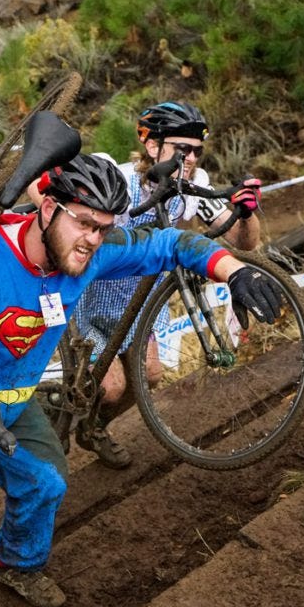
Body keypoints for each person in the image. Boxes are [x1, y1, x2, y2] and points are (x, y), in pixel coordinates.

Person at [0, 153, 283, 607]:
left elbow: (169, 243)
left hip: (9, 403)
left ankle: (14, 563)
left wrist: (236, 269)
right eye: (86, 224)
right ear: (49, 208)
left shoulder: (91, 252)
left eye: (103, 227)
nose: (93, 240)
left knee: (47, 484)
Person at [71, 102, 263, 468]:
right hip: (94, 300)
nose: (190, 157)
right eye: (181, 148)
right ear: (151, 146)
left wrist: (247, 210)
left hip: (142, 304)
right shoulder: (118, 179)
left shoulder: (192, 188)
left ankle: (94, 428)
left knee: (150, 377)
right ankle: (67, 415)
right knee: (110, 388)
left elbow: (244, 241)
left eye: (196, 150)